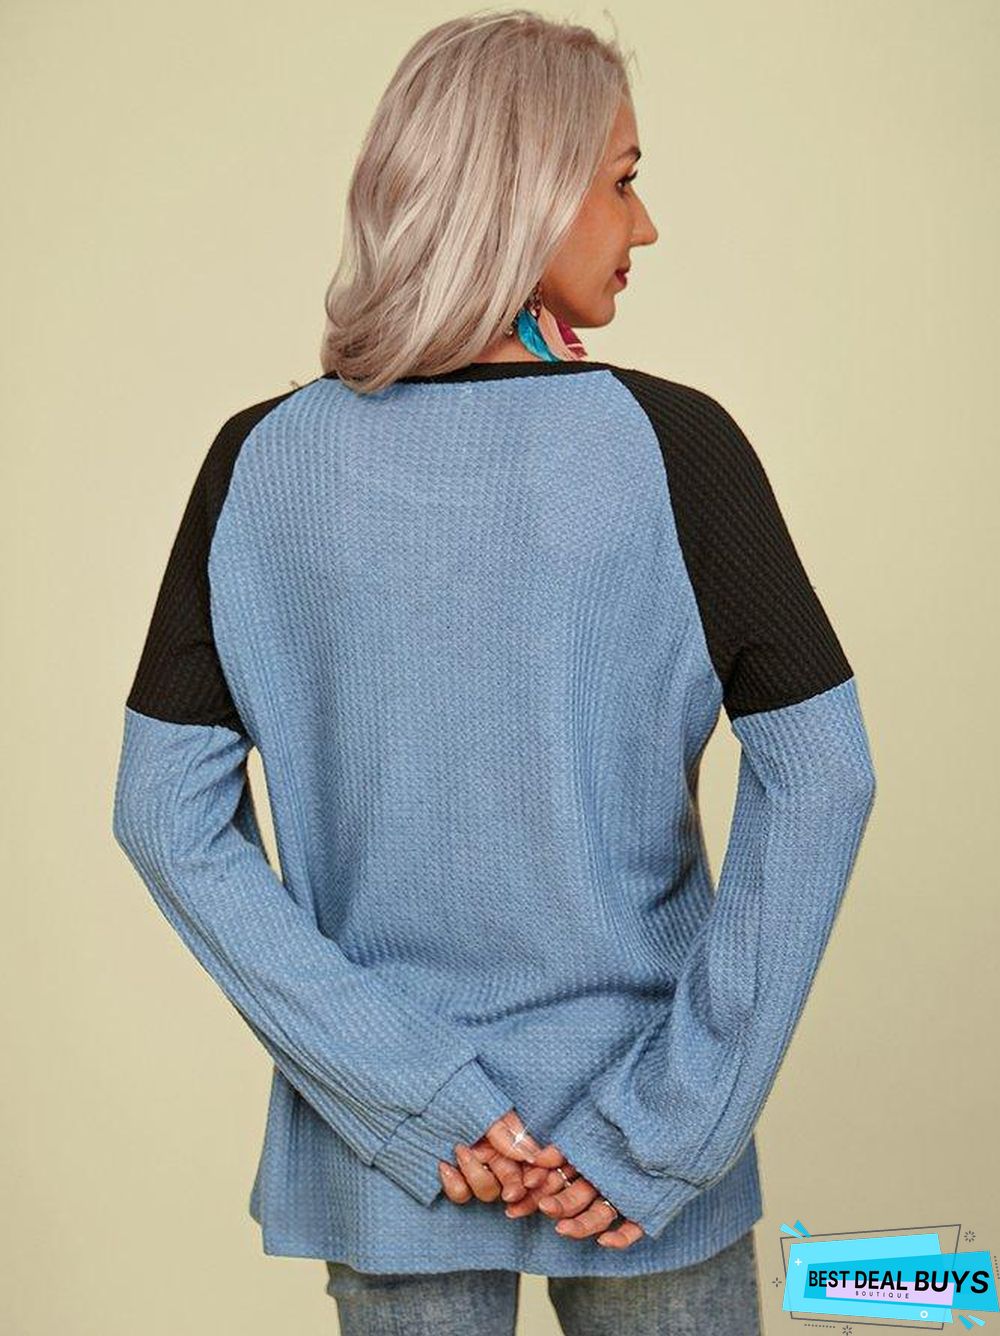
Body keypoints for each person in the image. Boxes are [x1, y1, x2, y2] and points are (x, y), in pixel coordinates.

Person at [111, 8, 877, 1334]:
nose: (646, 226)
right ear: (530, 189)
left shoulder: (260, 464)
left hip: (395, 1155)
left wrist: (408, 1094)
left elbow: (161, 816)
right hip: (639, 1143)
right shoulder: (674, 446)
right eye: (624, 181)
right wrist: (671, 1121)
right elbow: (825, 777)